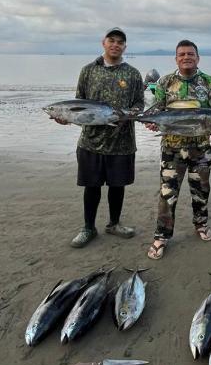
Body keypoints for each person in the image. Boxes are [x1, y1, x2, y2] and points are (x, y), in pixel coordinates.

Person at [52, 27, 144, 248]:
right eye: (111, 40)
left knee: (117, 185)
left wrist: (128, 115)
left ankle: (114, 223)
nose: (115, 45)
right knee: (91, 186)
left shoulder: (133, 74)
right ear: (103, 43)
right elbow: (78, 104)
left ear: (125, 47)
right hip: (91, 141)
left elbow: (140, 104)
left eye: (120, 42)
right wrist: (67, 118)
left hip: (122, 141)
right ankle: (88, 227)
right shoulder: (88, 71)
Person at [147, 40, 211, 260]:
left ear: (198, 58)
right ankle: (161, 236)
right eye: (182, 54)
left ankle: (201, 224)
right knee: (167, 193)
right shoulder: (164, 82)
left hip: (201, 148)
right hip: (171, 148)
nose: (186, 57)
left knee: (201, 190)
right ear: (176, 58)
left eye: (190, 54)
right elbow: (157, 110)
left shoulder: (209, 82)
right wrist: (152, 122)